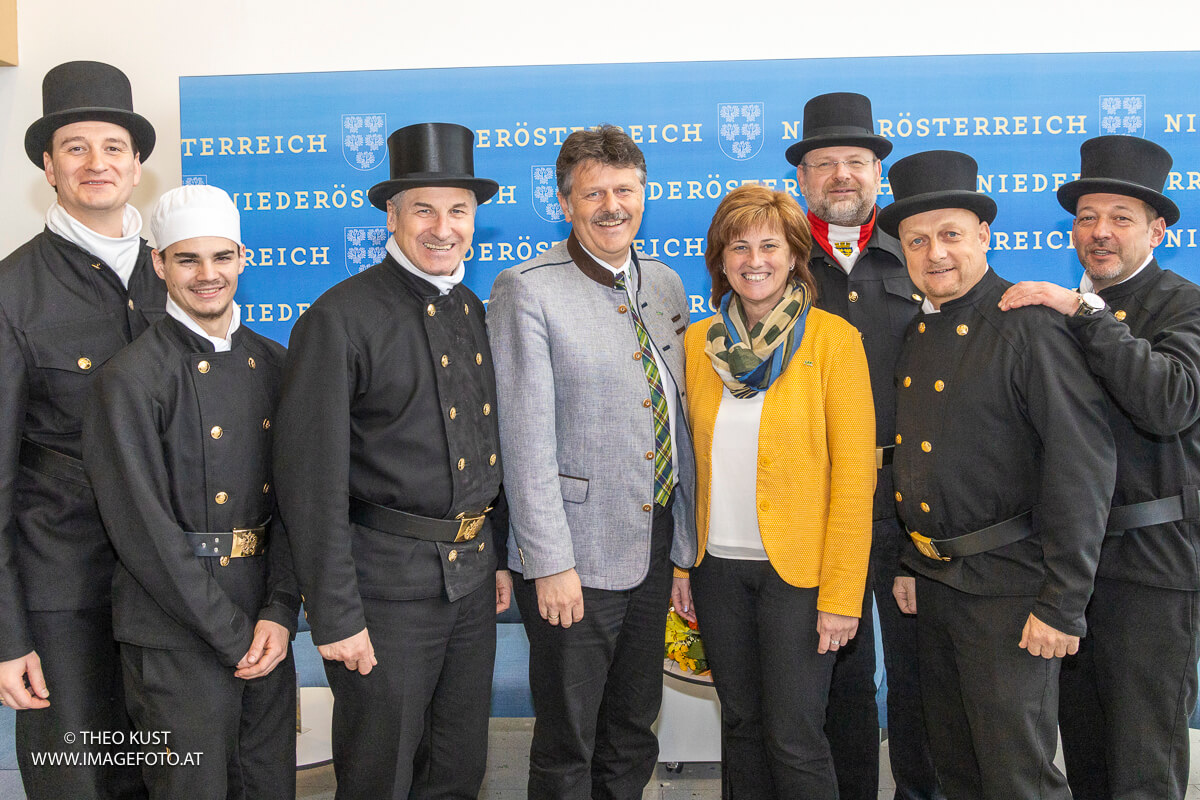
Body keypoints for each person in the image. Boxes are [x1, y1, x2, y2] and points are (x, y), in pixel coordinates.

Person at [273, 122, 508, 800]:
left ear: (474, 219)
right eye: (423, 210)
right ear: (391, 216)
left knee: (458, 769)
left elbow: (484, 449)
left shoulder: (474, 308)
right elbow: (308, 483)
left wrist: (493, 554)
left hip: (469, 585)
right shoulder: (339, 318)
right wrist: (336, 614)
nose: (443, 228)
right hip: (382, 595)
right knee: (381, 775)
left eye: (458, 210)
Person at [882, 149, 1116, 800]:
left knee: (1017, 779)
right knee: (956, 770)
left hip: (1012, 595)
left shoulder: (1028, 326)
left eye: (951, 234)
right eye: (917, 240)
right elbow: (921, 458)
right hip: (937, 587)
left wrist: (1062, 604)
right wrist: (911, 559)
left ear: (984, 235)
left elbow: (1081, 467)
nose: (935, 253)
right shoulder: (918, 332)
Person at [488, 124, 697, 800]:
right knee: (568, 740)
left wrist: (683, 549)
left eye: (625, 190)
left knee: (633, 728)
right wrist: (549, 563)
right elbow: (523, 441)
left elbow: (677, 417)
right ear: (565, 203)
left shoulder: (665, 283)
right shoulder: (526, 289)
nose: (613, 207)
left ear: (644, 194)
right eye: (594, 193)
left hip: (653, 545)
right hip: (573, 556)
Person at [999, 134, 1200, 800]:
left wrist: (1084, 312)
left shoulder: (1183, 303)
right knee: (1083, 754)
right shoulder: (1052, 314)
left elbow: (1168, 403)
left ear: (1158, 229)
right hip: (1064, 569)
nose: (1100, 232)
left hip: (1151, 571)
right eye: (1087, 218)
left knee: (1143, 764)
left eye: (1120, 218)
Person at [82, 185, 299, 800]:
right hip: (175, 631)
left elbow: (296, 503)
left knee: (268, 787)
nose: (208, 275)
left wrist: (280, 611)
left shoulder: (276, 363)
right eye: (187, 260)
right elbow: (141, 530)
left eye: (222, 257)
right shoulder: (128, 378)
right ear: (158, 264)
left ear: (243, 258)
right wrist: (232, 633)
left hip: (264, 622)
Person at [0, 60, 165, 800]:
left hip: (171, 593)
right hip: (64, 599)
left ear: (136, 165)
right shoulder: (11, 293)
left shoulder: (179, 276)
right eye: (76, 147)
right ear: (49, 166)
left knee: (172, 775)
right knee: (80, 783)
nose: (96, 162)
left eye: (112, 147)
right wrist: (8, 635)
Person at [680, 183, 875, 798]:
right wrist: (683, 564)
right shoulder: (697, 345)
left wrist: (842, 595)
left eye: (770, 245)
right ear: (721, 260)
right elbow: (685, 465)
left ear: (795, 256)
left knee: (795, 737)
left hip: (801, 576)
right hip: (717, 570)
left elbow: (855, 477)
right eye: (738, 247)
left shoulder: (832, 340)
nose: (754, 260)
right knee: (740, 727)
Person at [788, 91, 940, 800]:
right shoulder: (778, 263)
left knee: (922, 678)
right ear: (802, 178)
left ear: (879, 171)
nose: (841, 175)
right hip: (820, 506)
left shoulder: (921, 253)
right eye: (825, 163)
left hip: (917, 503)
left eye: (856, 160)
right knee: (836, 678)